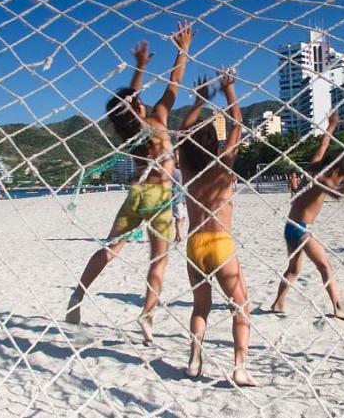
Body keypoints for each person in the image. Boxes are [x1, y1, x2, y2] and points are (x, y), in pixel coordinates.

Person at [65, 22, 193, 346]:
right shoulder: (158, 119)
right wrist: (183, 49)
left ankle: (77, 295)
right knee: (158, 260)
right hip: (162, 196)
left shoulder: (130, 134)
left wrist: (139, 67)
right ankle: (147, 317)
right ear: (138, 106)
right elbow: (174, 83)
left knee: (111, 249)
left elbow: (130, 101)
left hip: (137, 194)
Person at [178, 70, 256, 387]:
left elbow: (183, 132)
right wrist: (230, 90)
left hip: (194, 244)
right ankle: (239, 367)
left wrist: (198, 101)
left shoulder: (187, 169)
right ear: (216, 143)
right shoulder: (224, 165)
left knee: (201, 307)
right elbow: (237, 123)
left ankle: (194, 360)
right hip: (221, 243)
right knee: (241, 307)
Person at [270, 112, 344, 320]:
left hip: (290, 227)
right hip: (301, 229)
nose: (340, 180)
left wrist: (331, 126)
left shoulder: (312, 170)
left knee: (294, 270)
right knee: (325, 266)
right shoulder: (322, 179)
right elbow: (338, 194)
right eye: (341, 176)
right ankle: (338, 306)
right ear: (336, 171)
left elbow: (322, 146)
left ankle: (278, 303)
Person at [172, 156, 187, 244]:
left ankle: (177, 236)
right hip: (177, 198)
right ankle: (180, 236)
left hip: (184, 197)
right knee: (179, 217)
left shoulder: (183, 171)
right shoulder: (174, 171)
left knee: (183, 217)